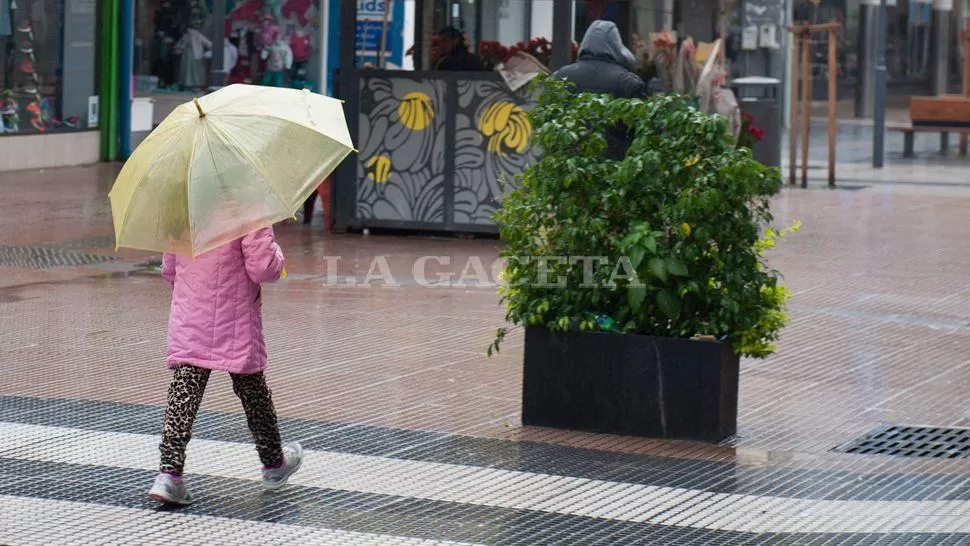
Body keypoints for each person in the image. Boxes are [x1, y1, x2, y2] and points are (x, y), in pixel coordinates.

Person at [148, 227, 303, 506]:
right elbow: (263, 267)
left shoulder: (185, 207)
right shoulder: (247, 206)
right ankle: (273, 463)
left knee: (183, 396)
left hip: (191, 315)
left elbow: (169, 269)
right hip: (236, 317)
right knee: (253, 391)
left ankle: (169, 474)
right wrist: (278, 256)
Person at [550, 20, 648, 160]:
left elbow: (549, 124)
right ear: (616, 44)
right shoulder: (628, 82)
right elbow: (643, 132)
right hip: (614, 168)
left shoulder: (560, 76)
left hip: (568, 166)